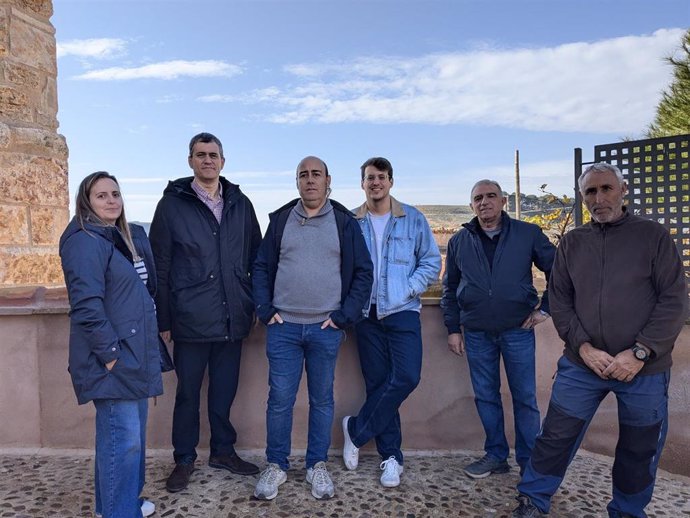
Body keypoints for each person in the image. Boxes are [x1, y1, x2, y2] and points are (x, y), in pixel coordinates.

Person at [512, 163, 688, 518]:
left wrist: (639, 352)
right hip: (582, 365)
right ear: (583, 198)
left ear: (623, 190)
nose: (599, 198)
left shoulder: (653, 237)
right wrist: (584, 347)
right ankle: (533, 498)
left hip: (643, 369)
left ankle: (626, 511)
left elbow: (674, 299)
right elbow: (560, 302)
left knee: (639, 448)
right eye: (590, 192)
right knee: (555, 437)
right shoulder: (574, 243)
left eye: (606, 188)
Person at [252, 156, 373, 501]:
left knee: (322, 400)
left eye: (315, 174)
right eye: (303, 175)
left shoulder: (344, 222)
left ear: (327, 180)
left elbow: (363, 272)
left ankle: (316, 465)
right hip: (283, 326)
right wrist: (265, 310)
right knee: (279, 400)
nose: (309, 180)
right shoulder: (280, 221)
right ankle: (276, 465)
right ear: (297, 182)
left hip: (326, 328)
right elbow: (261, 267)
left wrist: (343, 316)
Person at [149, 132, 262, 493]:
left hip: (232, 317)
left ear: (223, 161)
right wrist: (163, 319)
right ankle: (183, 459)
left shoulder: (240, 202)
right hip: (190, 319)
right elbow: (160, 266)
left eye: (213, 155)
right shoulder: (171, 205)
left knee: (224, 391)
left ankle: (223, 452)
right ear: (190, 161)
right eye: (201, 155)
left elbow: (256, 258)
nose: (208, 160)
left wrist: (253, 303)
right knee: (187, 395)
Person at [60, 172, 163, 518]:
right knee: (124, 441)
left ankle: (117, 507)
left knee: (122, 442)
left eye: (115, 193)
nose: (111, 200)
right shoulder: (85, 240)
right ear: (86, 201)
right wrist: (110, 357)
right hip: (116, 357)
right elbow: (86, 304)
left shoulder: (121, 236)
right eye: (101, 195)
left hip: (133, 353)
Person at [441, 179, 556, 479]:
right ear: (471, 205)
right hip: (477, 332)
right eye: (478, 198)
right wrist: (453, 328)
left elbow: (559, 270)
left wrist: (546, 308)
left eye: (491, 196)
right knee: (486, 396)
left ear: (503, 200)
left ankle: (531, 464)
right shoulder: (459, 241)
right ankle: (495, 455)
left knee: (524, 398)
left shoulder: (527, 233)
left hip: (517, 329)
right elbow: (450, 288)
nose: (484, 202)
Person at [342, 157, 441, 487]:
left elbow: (430, 261)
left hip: (402, 312)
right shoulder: (351, 222)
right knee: (378, 382)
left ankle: (355, 430)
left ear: (391, 182)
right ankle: (391, 457)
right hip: (365, 315)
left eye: (381, 177)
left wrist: (408, 288)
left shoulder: (412, 218)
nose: (375, 183)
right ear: (362, 183)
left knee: (407, 377)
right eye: (370, 177)